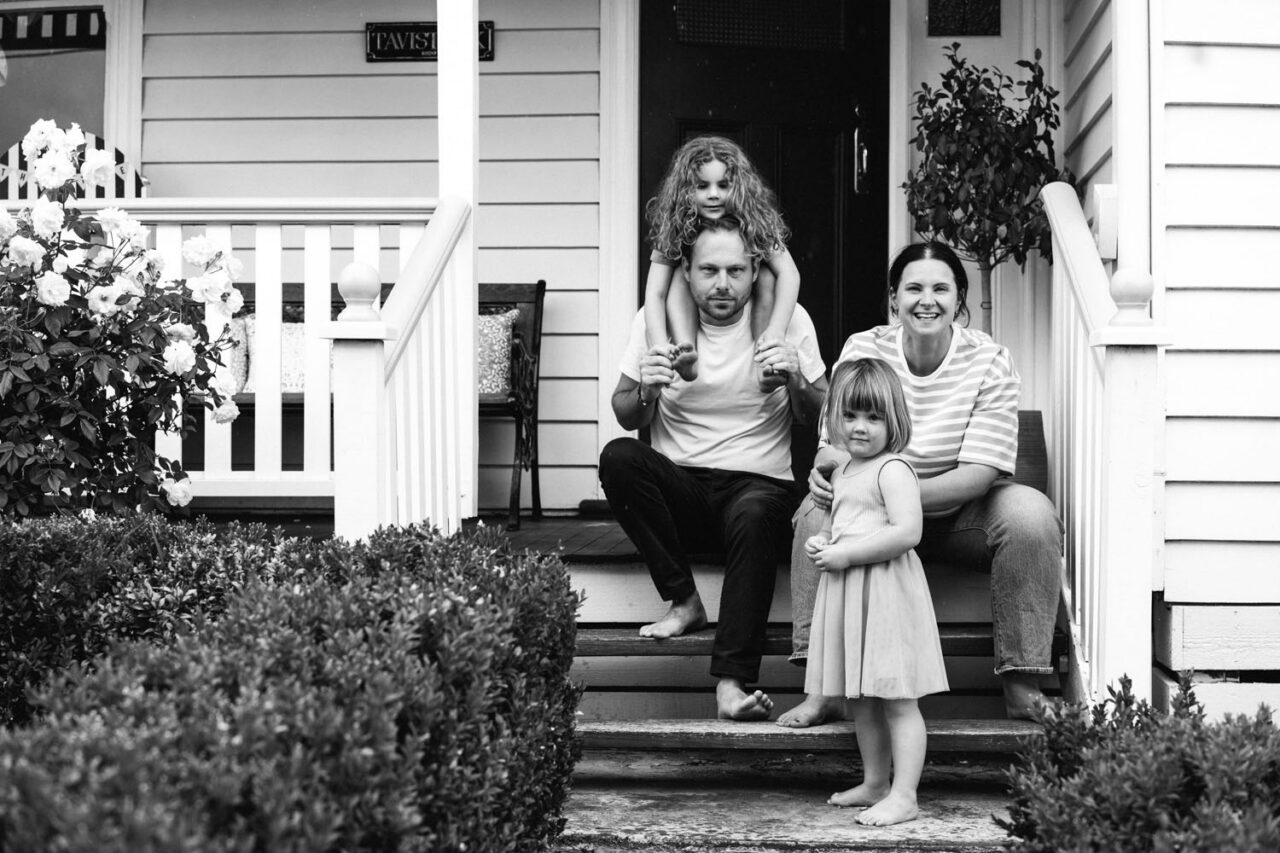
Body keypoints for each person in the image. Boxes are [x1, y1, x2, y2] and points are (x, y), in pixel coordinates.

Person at [779, 242, 1063, 727]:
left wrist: (900, 498)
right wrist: (828, 466)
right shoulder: (865, 348)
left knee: (1032, 514)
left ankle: (1022, 684)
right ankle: (823, 688)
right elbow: (833, 442)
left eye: (940, 288)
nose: (925, 299)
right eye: (913, 288)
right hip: (868, 515)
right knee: (812, 512)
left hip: (960, 517)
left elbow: (982, 472)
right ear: (894, 299)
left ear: (959, 298)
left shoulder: (989, 360)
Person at [599, 215, 827, 721]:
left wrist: (795, 378)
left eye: (735, 271)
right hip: (685, 487)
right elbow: (623, 409)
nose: (722, 284)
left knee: (753, 511)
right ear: (686, 269)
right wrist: (648, 390)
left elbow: (826, 411)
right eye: (708, 271)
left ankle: (731, 683)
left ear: (753, 271)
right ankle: (684, 600)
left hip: (759, 486)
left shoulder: (788, 320)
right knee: (619, 457)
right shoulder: (654, 320)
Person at [804, 357, 948, 826]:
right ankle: (874, 782)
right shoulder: (843, 469)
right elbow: (846, 523)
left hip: (885, 594)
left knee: (897, 699)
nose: (860, 427)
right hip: (851, 595)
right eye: (850, 416)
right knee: (861, 699)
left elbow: (908, 532)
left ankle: (905, 794)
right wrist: (826, 541)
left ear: (895, 421)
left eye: (873, 417)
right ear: (834, 418)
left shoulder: (894, 469)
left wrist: (846, 555)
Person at [643, 136, 801, 383]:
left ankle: (765, 360)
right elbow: (655, 293)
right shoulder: (676, 224)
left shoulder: (755, 220)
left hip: (754, 295)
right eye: (702, 186)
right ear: (685, 190)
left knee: (768, 274)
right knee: (677, 275)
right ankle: (687, 354)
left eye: (724, 185)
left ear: (738, 187)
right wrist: (660, 345)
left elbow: (789, 274)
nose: (714, 195)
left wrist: (777, 331)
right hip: (692, 298)